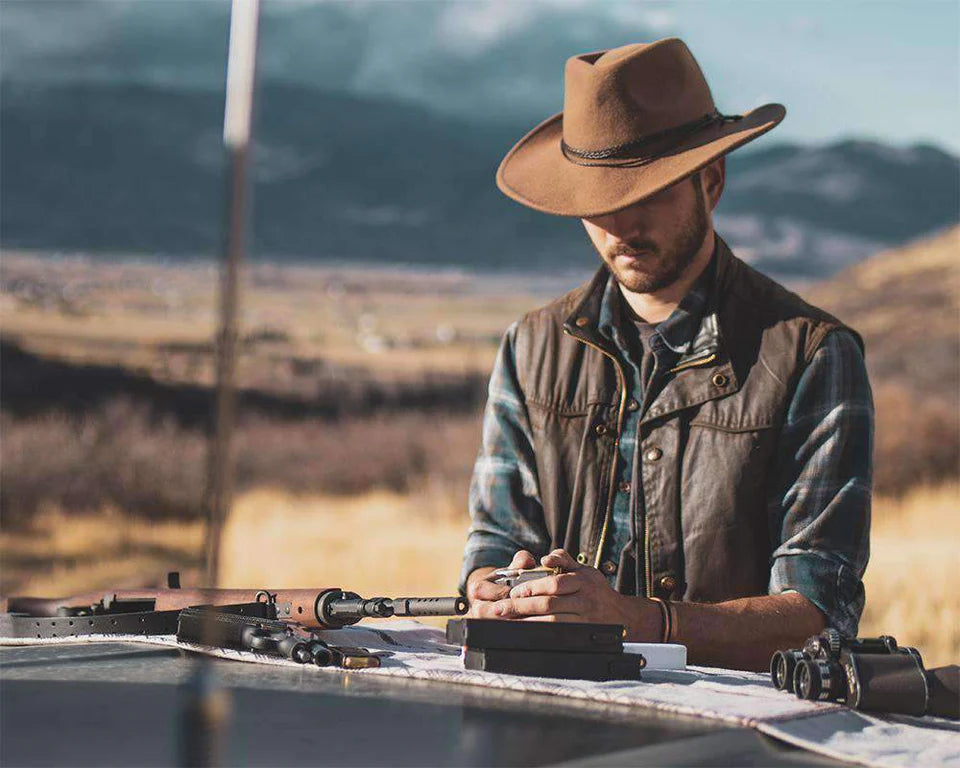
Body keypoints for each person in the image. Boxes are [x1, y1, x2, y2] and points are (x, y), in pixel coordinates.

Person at [459, 38, 872, 671]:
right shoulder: (531, 347)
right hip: (549, 718)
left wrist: (639, 621)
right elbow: (494, 539)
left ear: (711, 181)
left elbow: (819, 610)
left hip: (733, 733)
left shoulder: (811, 354)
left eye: (645, 193)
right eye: (596, 202)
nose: (619, 225)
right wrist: (492, 590)